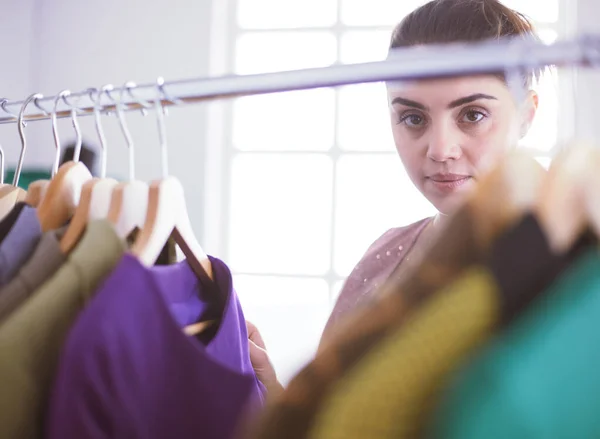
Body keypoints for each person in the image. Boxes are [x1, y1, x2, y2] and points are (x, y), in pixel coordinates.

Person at [249, 0, 542, 394]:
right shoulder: (381, 256)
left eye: (472, 114)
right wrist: (273, 397)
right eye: (413, 118)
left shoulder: (570, 272)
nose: (440, 149)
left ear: (527, 114)